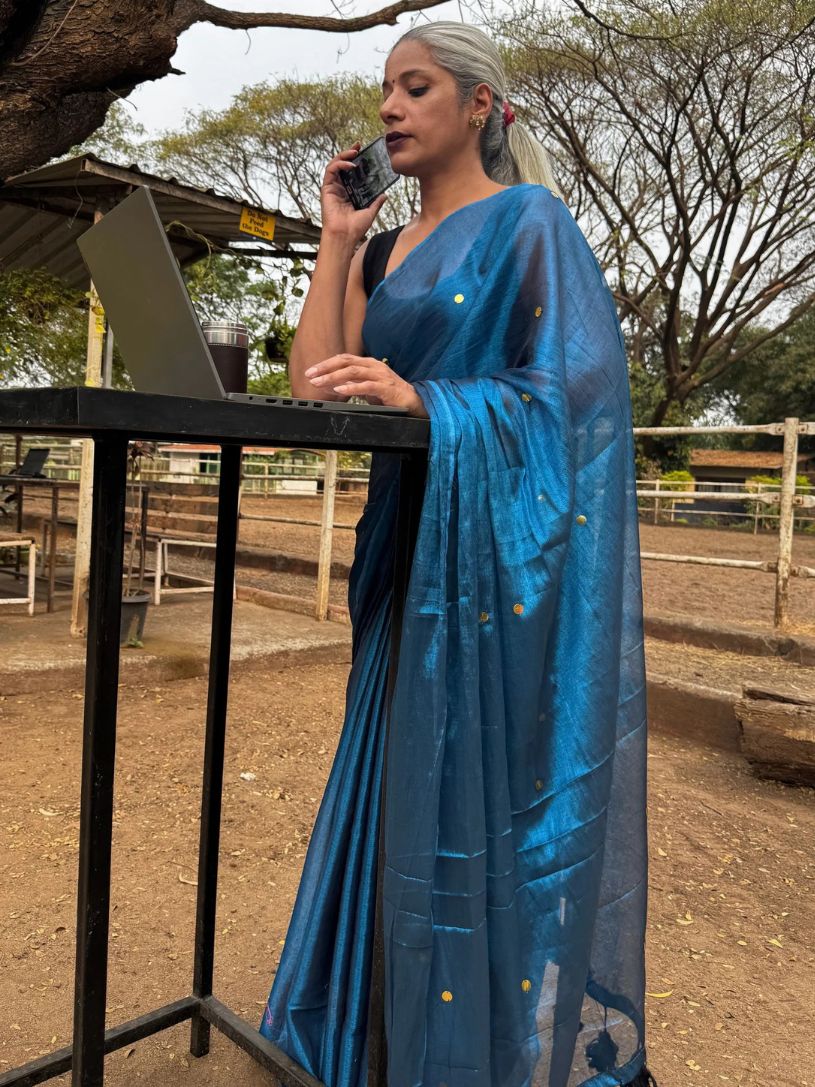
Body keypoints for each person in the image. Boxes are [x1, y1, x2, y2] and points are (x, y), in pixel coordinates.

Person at [261, 20, 656, 1087]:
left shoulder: (529, 222)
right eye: (385, 90)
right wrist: (337, 238)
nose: (389, 108)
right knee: (393, 773)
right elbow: (317, 382)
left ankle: (477, 1038)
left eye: (415, 87)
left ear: (478, 105)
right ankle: (375, 1026)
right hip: (404, 550)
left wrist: (431, 401)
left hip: (487, 563)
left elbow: (575, 394)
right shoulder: (383, 250)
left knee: (472, 783)